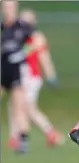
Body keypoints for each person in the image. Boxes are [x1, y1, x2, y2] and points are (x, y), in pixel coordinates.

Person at [8, 9, 64, 149]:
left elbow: (44, 58)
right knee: (15, 106)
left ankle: (51, 132)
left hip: (30, 77)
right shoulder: (16, 35)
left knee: (28, 108)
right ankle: (16, 137)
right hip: (19, 75)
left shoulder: (36, 37)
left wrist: (51, 76)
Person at [1, 0, 34, 153]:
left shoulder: (22, 26)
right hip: (2, 70)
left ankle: (23, 141)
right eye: (5, 6)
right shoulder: (2, 27)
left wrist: (22, 53)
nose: (8, 10)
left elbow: (36, 42)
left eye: (10, 6)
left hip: (16, 71)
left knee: (18, 107)